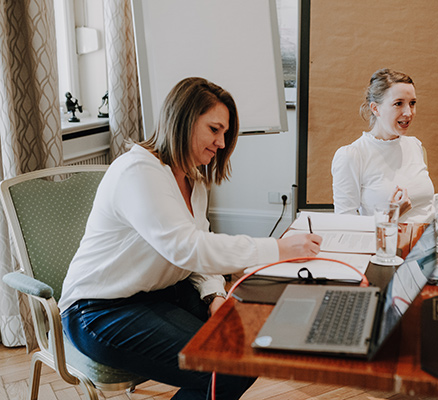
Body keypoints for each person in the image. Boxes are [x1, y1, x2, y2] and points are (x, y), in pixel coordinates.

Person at [59, 77, 322, 400]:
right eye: (214, 130)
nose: (222, 143)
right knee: (226, 368)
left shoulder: (192, 180)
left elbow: (200, 242)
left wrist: (213, 294)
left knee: (252, 342)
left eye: (225, 133)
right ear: (183, 120)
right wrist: (278, 249)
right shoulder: (137, 172)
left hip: (158, 294)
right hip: (99, 311)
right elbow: (187, 248)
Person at [331, 68, 438, 222]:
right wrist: (391, 216)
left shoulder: (414, 145)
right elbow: (345, 225)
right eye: (398, 104)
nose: (408, 113)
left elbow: (425, 208)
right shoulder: (351, 155)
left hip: (429, 241)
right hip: (387, 245)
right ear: (375, 108)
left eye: (412, 103)